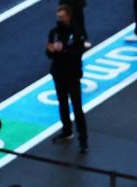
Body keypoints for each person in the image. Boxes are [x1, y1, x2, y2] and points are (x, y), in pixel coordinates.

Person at [46, 5, 88, 154]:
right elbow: (49, 53)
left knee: (77, 107)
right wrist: (50, 51)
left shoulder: (77, 32)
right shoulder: (54, 32)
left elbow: (77, 52)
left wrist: (62, 50)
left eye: (62, 16)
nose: (60, 19)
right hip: (58, 73)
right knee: (62, 103)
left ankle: (83, 140)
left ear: (69, 16)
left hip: (72, 74)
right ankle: (67, 130)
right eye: (59, 16)